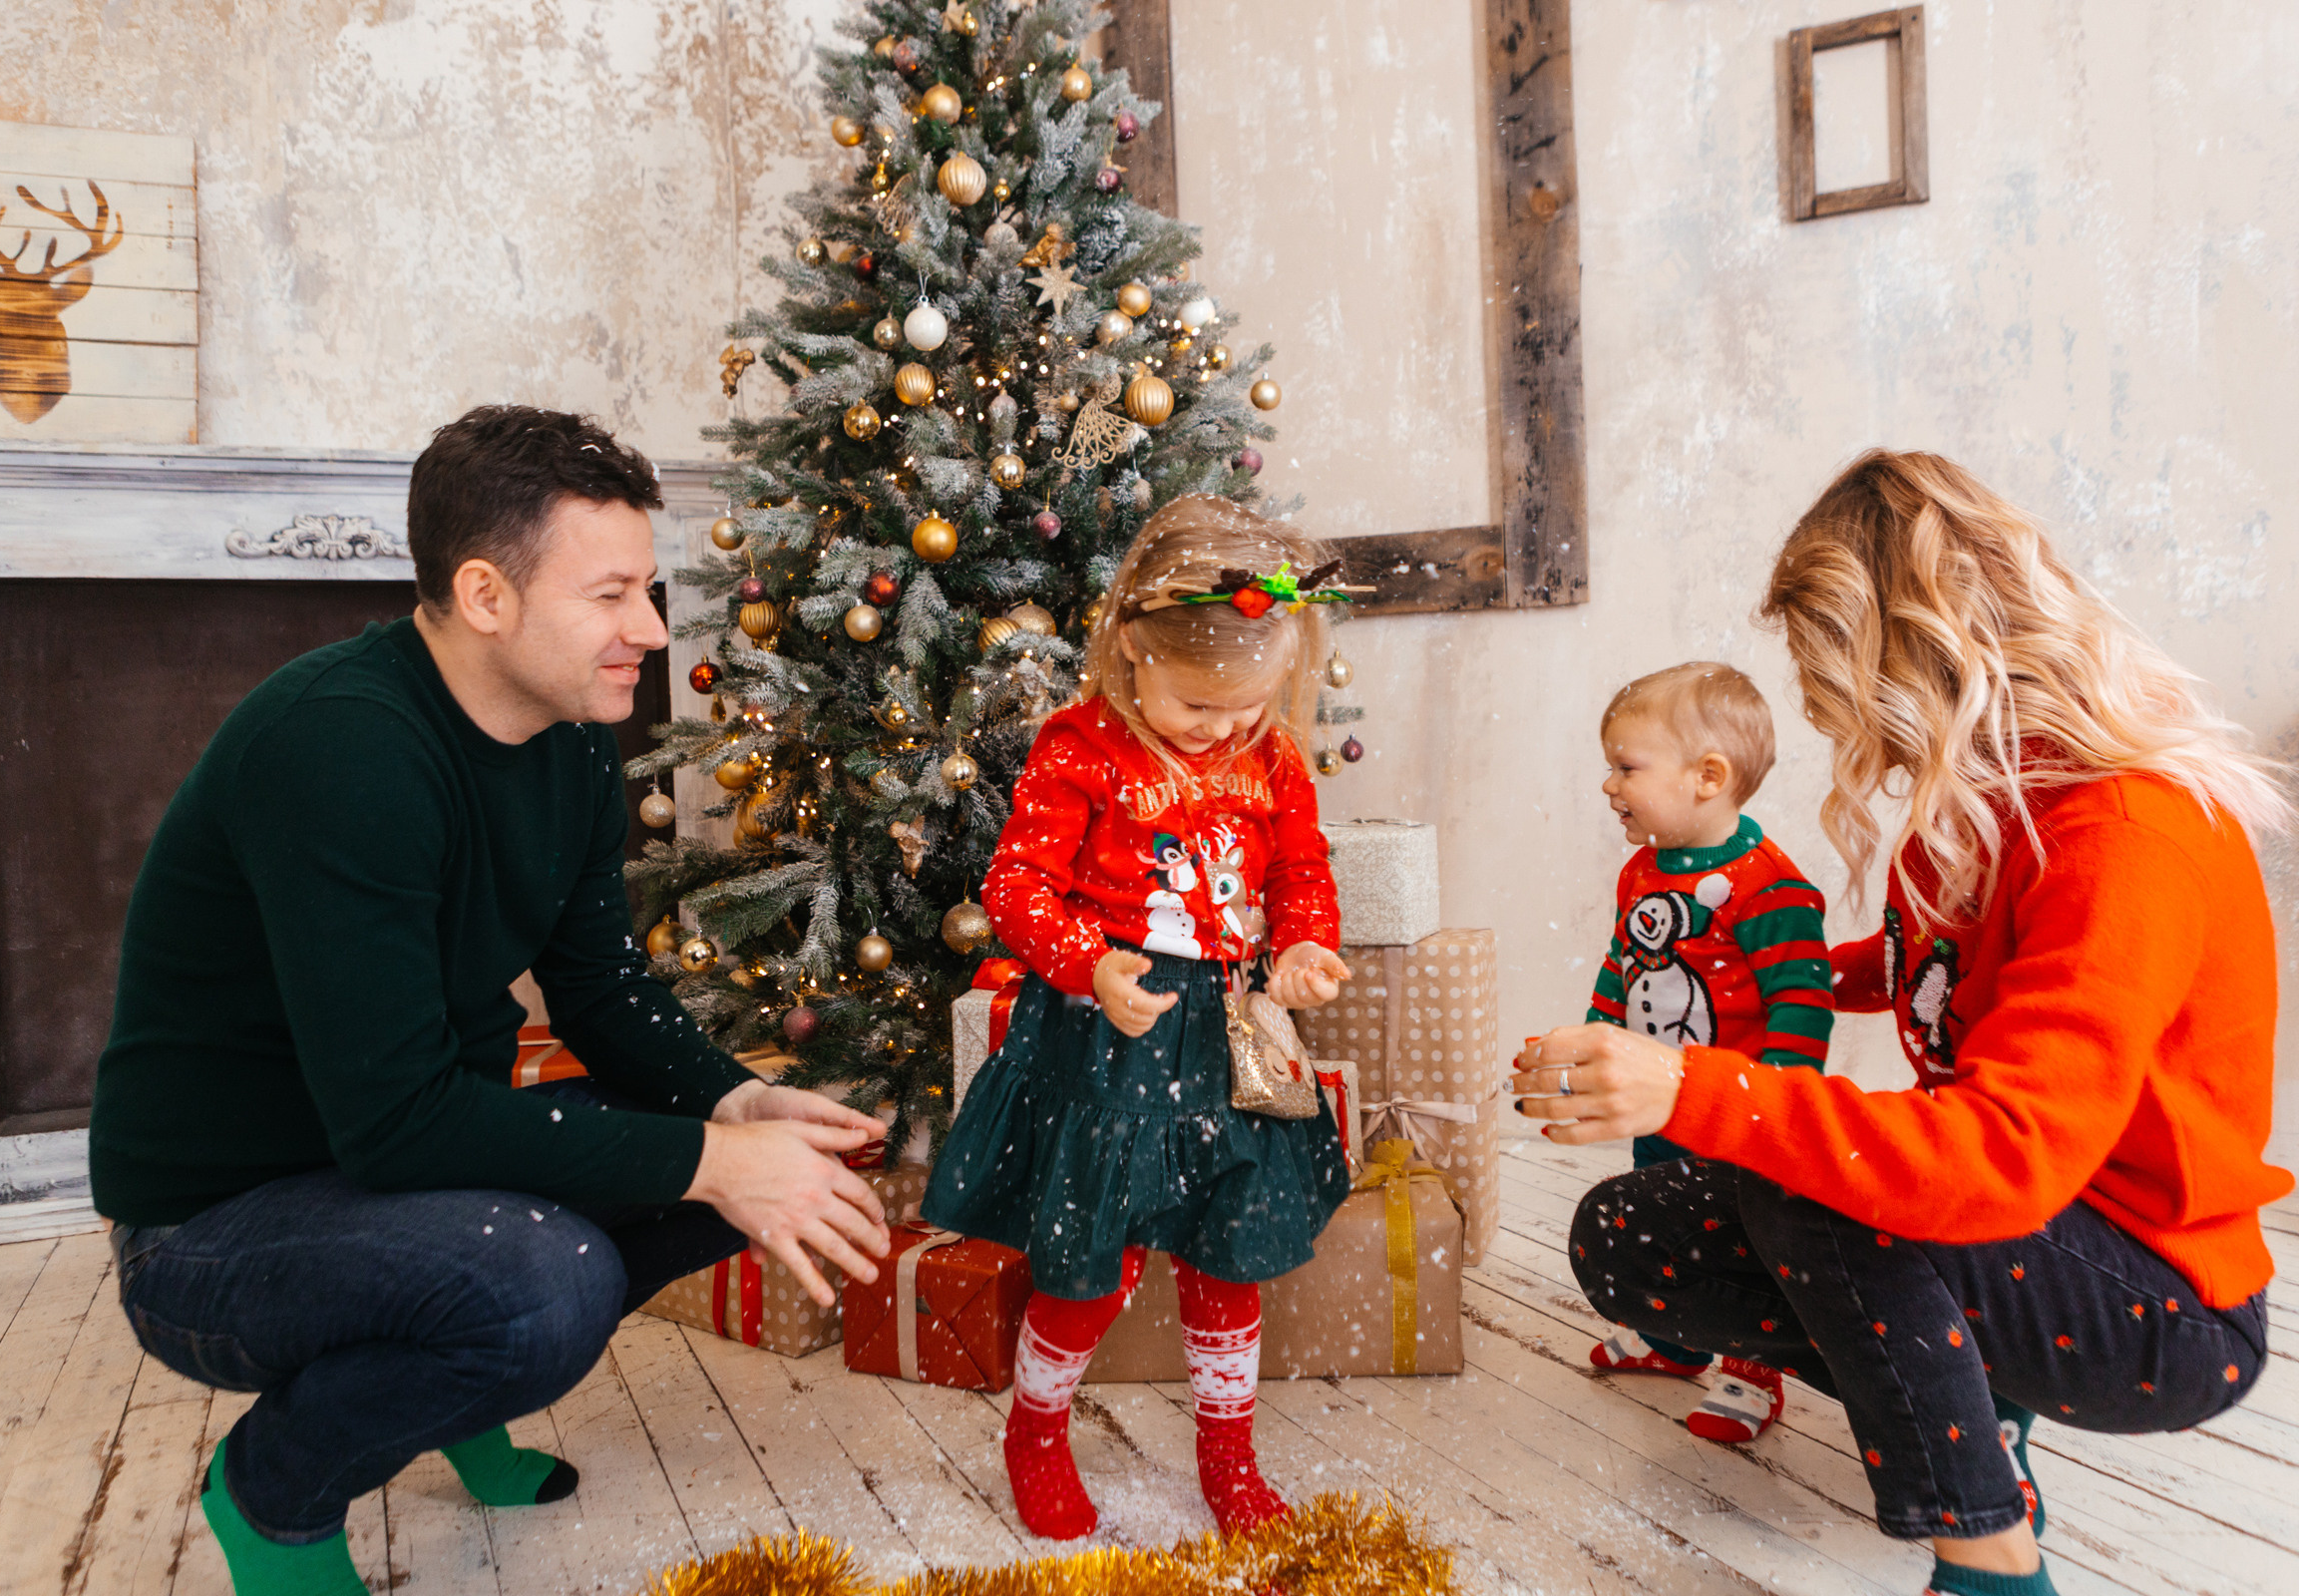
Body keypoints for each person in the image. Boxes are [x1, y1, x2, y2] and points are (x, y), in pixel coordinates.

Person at [88, 406, 890, 1596]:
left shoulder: (567, 735)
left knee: (759, 1169)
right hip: (214, 1225)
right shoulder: (342, 750)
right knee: (546, 1284)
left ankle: (456, 1388)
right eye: (611, 595)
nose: (651, 630)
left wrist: (739, 1105)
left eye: (648, 590)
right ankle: (273, 1495)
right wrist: (707, 1158)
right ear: (485, 595)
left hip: (392, 1162)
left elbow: (601, 988)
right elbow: (398, 1120)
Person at [1518, 450, 2288, 1596]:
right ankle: (1983, 1406)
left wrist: (1693, 1090)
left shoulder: (2130, 832)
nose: (1825, 719)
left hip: (2159, 1300)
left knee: (1807, 1171)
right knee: (1631, 1235)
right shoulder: (1973, 805)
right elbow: (1938, 965)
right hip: (2022, 1233)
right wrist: (1770, 979)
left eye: (1827, 681)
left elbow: (2007, 1153)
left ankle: (1989, 1556)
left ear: (1911, 658)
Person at [923, 496, 1356, 1540]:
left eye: (1249, 707)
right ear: (1129, 652)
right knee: (1091, 1262)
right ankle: (1035, 1432)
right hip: (1109, 1034)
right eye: (1201, 708)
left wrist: (1300, 945)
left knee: (1228, 1253)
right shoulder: (1081, 748)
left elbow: (1301, 869)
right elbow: (1018, 885)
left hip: (1229, 1037)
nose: (1226, 731)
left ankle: (1228, 1452)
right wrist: (1088, 962)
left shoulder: (1272, 757)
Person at [1581, 661, 1833, 1443]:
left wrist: (1779, 1094)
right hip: (1661, 1096)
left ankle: (1753, 1367)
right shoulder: (1643, 871)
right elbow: (1625, 961)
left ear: (1707, 777)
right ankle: (1674, 1337)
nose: (1609, 785)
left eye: (1626, 767)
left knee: (1740, 1234)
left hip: (1736, 1108)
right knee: (1656, 1208)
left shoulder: (1770, 888)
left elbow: (1803, 996)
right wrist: (1597, 1032)